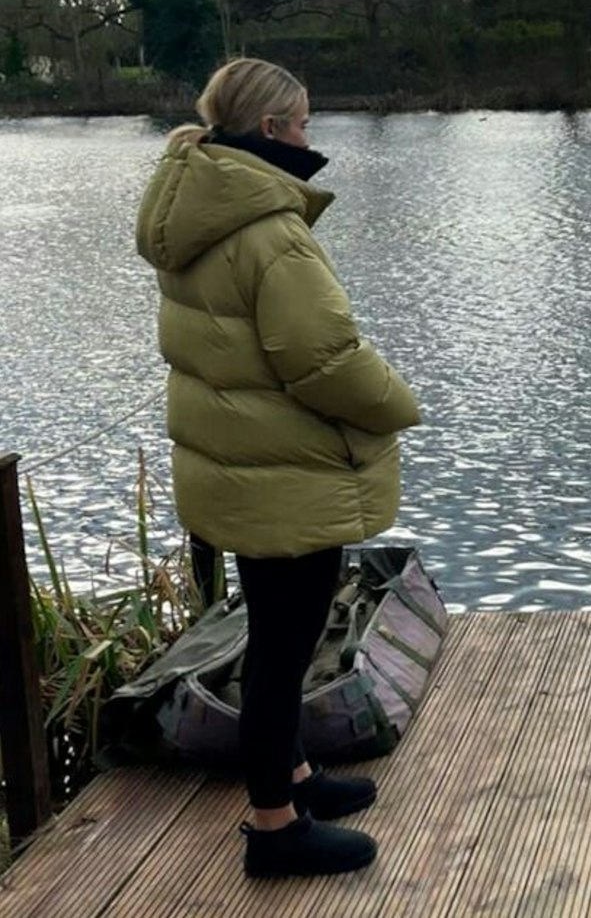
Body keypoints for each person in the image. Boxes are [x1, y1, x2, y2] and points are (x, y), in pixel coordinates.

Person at [135, 57, 421, 880]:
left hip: (240, 460)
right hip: (283, 466)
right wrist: (399, 402)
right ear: (270, 131)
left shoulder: (200, 209)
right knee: (284, 647)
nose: (309, 135)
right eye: (302, 122)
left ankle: (292, 777)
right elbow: (322, 359)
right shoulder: (266, 227)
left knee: (274, 636)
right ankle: (273, 827)